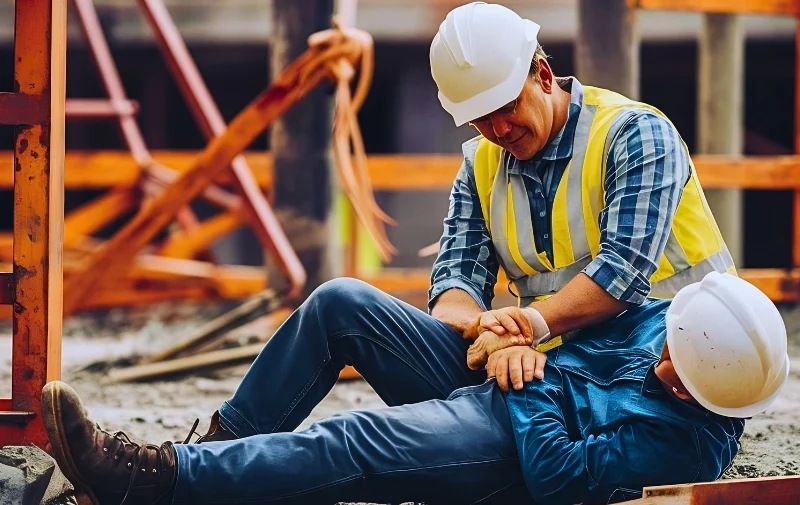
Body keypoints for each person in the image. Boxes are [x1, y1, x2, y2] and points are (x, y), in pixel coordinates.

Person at [39, 2, 789, 504]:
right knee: (339, 304)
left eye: (504, 109)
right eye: (478, 118)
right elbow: (455, 283)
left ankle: (159, 481)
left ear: (539, 71)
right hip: (538, 367)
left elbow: (620, 277)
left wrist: (521, 334)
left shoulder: (635, 136)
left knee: (360, 439)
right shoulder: (485, 163)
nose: (495, 129)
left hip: (637, 382)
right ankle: (214, 449)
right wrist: (488, 333)